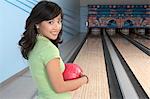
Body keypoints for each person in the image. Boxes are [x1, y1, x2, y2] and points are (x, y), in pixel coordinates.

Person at [18, 1, 88, 99]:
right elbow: (59, 87)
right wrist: (84, 79)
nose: (56, 27)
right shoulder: (49, 49)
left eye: (59, 21)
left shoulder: (34, 44)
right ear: (37, 24)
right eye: (50, 22)